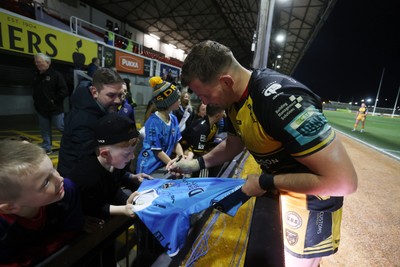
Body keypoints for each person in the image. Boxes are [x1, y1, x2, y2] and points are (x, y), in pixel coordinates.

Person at [167, 40, 358, 267]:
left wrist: (264, 182)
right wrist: (196, 164)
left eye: (205, 95)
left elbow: (343, 182)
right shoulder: (234, 98)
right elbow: (234, 145)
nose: (206, 103)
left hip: (311, 202)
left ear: (226, 81)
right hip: (279, 189)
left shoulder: (283, 101)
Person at [69, 113, 151, 266]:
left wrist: (130, 177)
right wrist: (123, 210)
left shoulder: (115, 161)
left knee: (107, 252)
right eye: (128, 153)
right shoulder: (87, 176)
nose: (132, 157)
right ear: (105, 153)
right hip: (88, 227)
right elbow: (95, 206)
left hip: (103, 221)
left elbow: (114, 182)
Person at [0, 140, 84, 265]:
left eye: (53, 169)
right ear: (10, 207)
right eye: (45, 182)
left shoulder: (67, 190)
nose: (60, 178)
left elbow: (72, 231)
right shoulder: (3, 228)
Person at [57, 68, 124, 177]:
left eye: (120, 95)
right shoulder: (83, 120)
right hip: (78, 183)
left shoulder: (102, 109)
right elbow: (90, 161)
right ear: (94, 92)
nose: (118, 101)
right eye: (111, 95)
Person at [136, 76, 184, 176]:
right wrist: (174, 164)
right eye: (176, 99)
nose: (179, 101)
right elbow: (157, 151)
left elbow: (176, 143)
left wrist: (181, 157)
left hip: (163, 164)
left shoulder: (173, 118)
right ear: (168, 101)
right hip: (149, 167)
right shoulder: (153, 122)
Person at [32, 53, 69, 154]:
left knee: (60, 126)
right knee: (44, 129)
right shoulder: (36, 75)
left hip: (55, 108)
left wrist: (55, 100)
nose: (37, 64)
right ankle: (46, 147)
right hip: (41, 109)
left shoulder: (56, 75)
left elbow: (64, 90)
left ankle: (71, 142)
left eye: (39, 62)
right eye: (36, 62)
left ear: (47, 62)